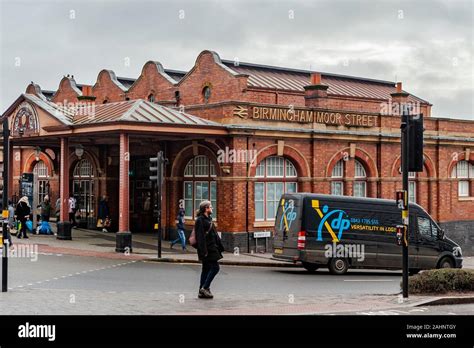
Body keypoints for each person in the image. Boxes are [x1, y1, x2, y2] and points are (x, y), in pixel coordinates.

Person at [195, 200, 224, 299]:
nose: (212, 208)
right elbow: (200, 237)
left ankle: (201, 291)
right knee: (216, 268)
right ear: (206, 208)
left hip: (213, 247)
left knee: (206, 269)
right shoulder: (200, 220)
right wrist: (204, 251)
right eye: (210, 207)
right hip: (208, 249)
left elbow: (214, 234)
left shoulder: (209, 219)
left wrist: (220, 245)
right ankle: (205, 287)